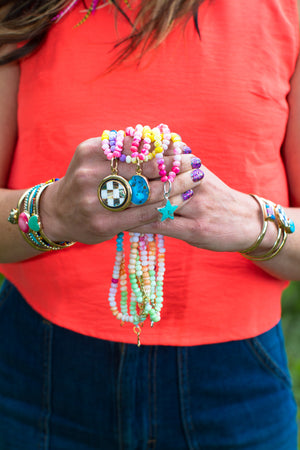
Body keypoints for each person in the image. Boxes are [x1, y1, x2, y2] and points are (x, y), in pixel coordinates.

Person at [0, 0, 299, 448]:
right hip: (37, 366)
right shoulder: (26, 10)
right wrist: (54, 213)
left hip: (235, 383)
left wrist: (253, 222)